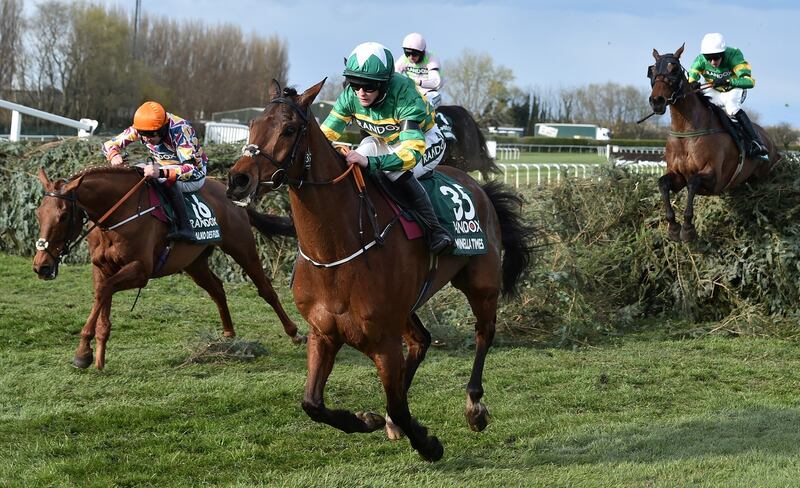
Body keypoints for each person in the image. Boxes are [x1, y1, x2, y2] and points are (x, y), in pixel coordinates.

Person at [321, 41, 453, 254]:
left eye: (369, 86)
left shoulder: (404, 95)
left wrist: (373, 162)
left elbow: (410, 154)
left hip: (425, 141)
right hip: (384, 139)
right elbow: (324, 135)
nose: (361, 93)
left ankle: (436, 231)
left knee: (392, 169)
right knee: (356, 159)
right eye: (355, 85)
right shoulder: (350, 96)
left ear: (384, 83)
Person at [102, 101, 208, 241]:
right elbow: (108, 144)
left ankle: (185, 228)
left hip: (194, 176)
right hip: (162, 166)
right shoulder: (143, 127)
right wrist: (114, 155)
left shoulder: (181, 130)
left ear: (162, 130)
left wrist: (161, 173)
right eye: (143, 136)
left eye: (150, 136)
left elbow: (191, 169)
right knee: (135, 171)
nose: (146, 140)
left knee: (161, 178)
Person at [687, 32, 768, 158]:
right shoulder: (699, 60)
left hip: (733, 89)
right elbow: (691, 81)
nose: (713, 62)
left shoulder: (734, 55)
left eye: (716, 57)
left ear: (723, 54)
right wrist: (693, 84)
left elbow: (749, 82)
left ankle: (756, 142)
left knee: (731, 108)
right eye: (709, 58)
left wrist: (729, 81)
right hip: (714, 89)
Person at [395, 32, 455, 141]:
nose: (411, 57)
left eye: (414, 54)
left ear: (422, 52)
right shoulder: (403, 59)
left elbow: (436, 82)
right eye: (407, 53)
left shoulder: (431, 58)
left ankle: (443, 123)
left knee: (426, 104)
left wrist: (415, 81)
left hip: (431, 93)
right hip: (414, 94)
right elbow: (394, 75)